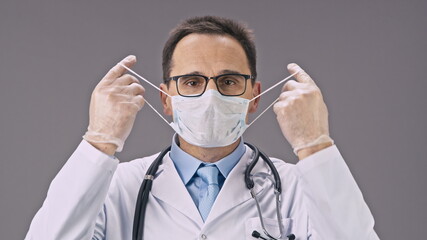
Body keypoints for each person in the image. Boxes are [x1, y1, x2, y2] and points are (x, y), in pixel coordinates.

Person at [25, 16, 379, 239]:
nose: (211, 96)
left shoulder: (296, 188)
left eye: (228, 81)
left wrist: (315, 146)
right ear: (166, 98)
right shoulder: (117, 187)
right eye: (192, 81)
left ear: (254, 97)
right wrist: (98, 142)